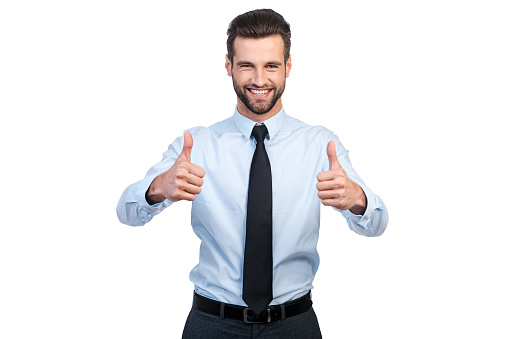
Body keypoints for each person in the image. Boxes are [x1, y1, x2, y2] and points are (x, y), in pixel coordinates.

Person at [117, 8, 388, 338]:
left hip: (294, 324)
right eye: (247, 65)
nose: (260, 79)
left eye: (271, 65)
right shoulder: (197, 143)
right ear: (229, 66)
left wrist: (357, 199)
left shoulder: (320, 144)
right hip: (211, 324)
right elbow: (127, 212)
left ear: (288, 66)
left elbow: (377, 223)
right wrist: (158, 188)